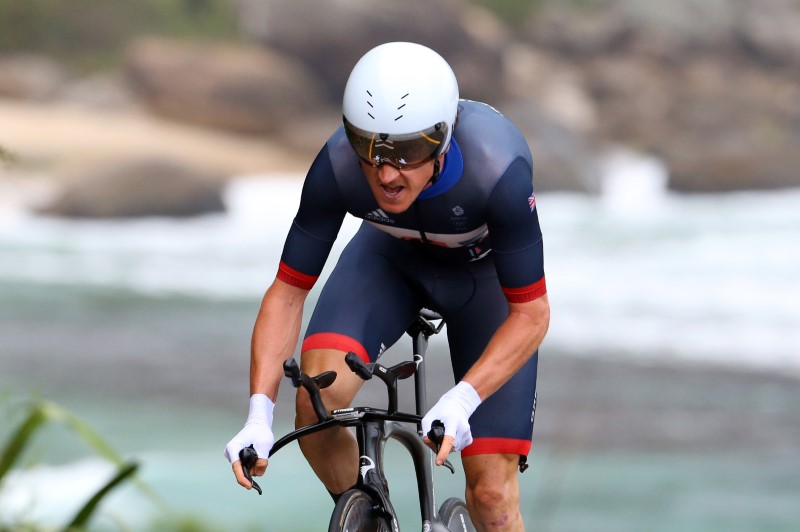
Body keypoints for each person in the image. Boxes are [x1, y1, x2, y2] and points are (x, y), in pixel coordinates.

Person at [224, 41, 549, 531]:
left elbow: (533, 314)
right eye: (368, 149)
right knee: (315, 403)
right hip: (387, 261)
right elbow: (288, 291)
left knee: (492, 495)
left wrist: (463, 398)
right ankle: (374, 517)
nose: (386, 173)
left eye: (408, 152)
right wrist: (257, 412)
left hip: (483, 281)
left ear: (442, 139)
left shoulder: (496, 167)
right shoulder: (335, 166)